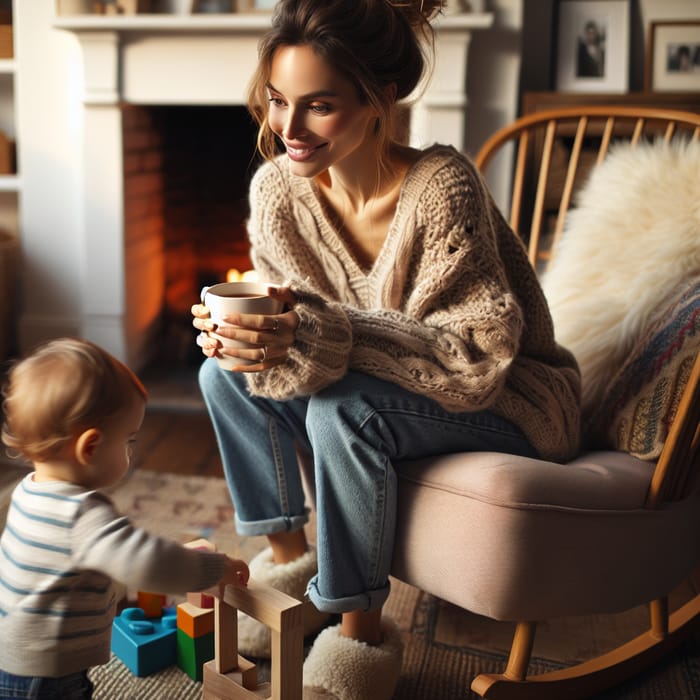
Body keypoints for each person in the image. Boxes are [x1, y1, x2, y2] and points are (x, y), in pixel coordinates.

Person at [192, 0, 581, 698]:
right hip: (387, 395)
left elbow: (477, 361)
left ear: (380, 100)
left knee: (347, 409)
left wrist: (314, 329)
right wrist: (253, 339)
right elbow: (301, 348)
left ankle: (359, 635)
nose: (289, 128)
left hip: (511, 403)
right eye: (278, 101)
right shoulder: (277, 192)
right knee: (224, 374)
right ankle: (290, 563)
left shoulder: (441, 188)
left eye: (320, 105)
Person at [0, 337, 250, 700]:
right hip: (47, 676)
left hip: (15, 656)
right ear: (91, 447)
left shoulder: (28, 490)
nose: (131, 450)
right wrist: (215, 568)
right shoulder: (83, 515)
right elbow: (149, 563)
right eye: (129, 439)